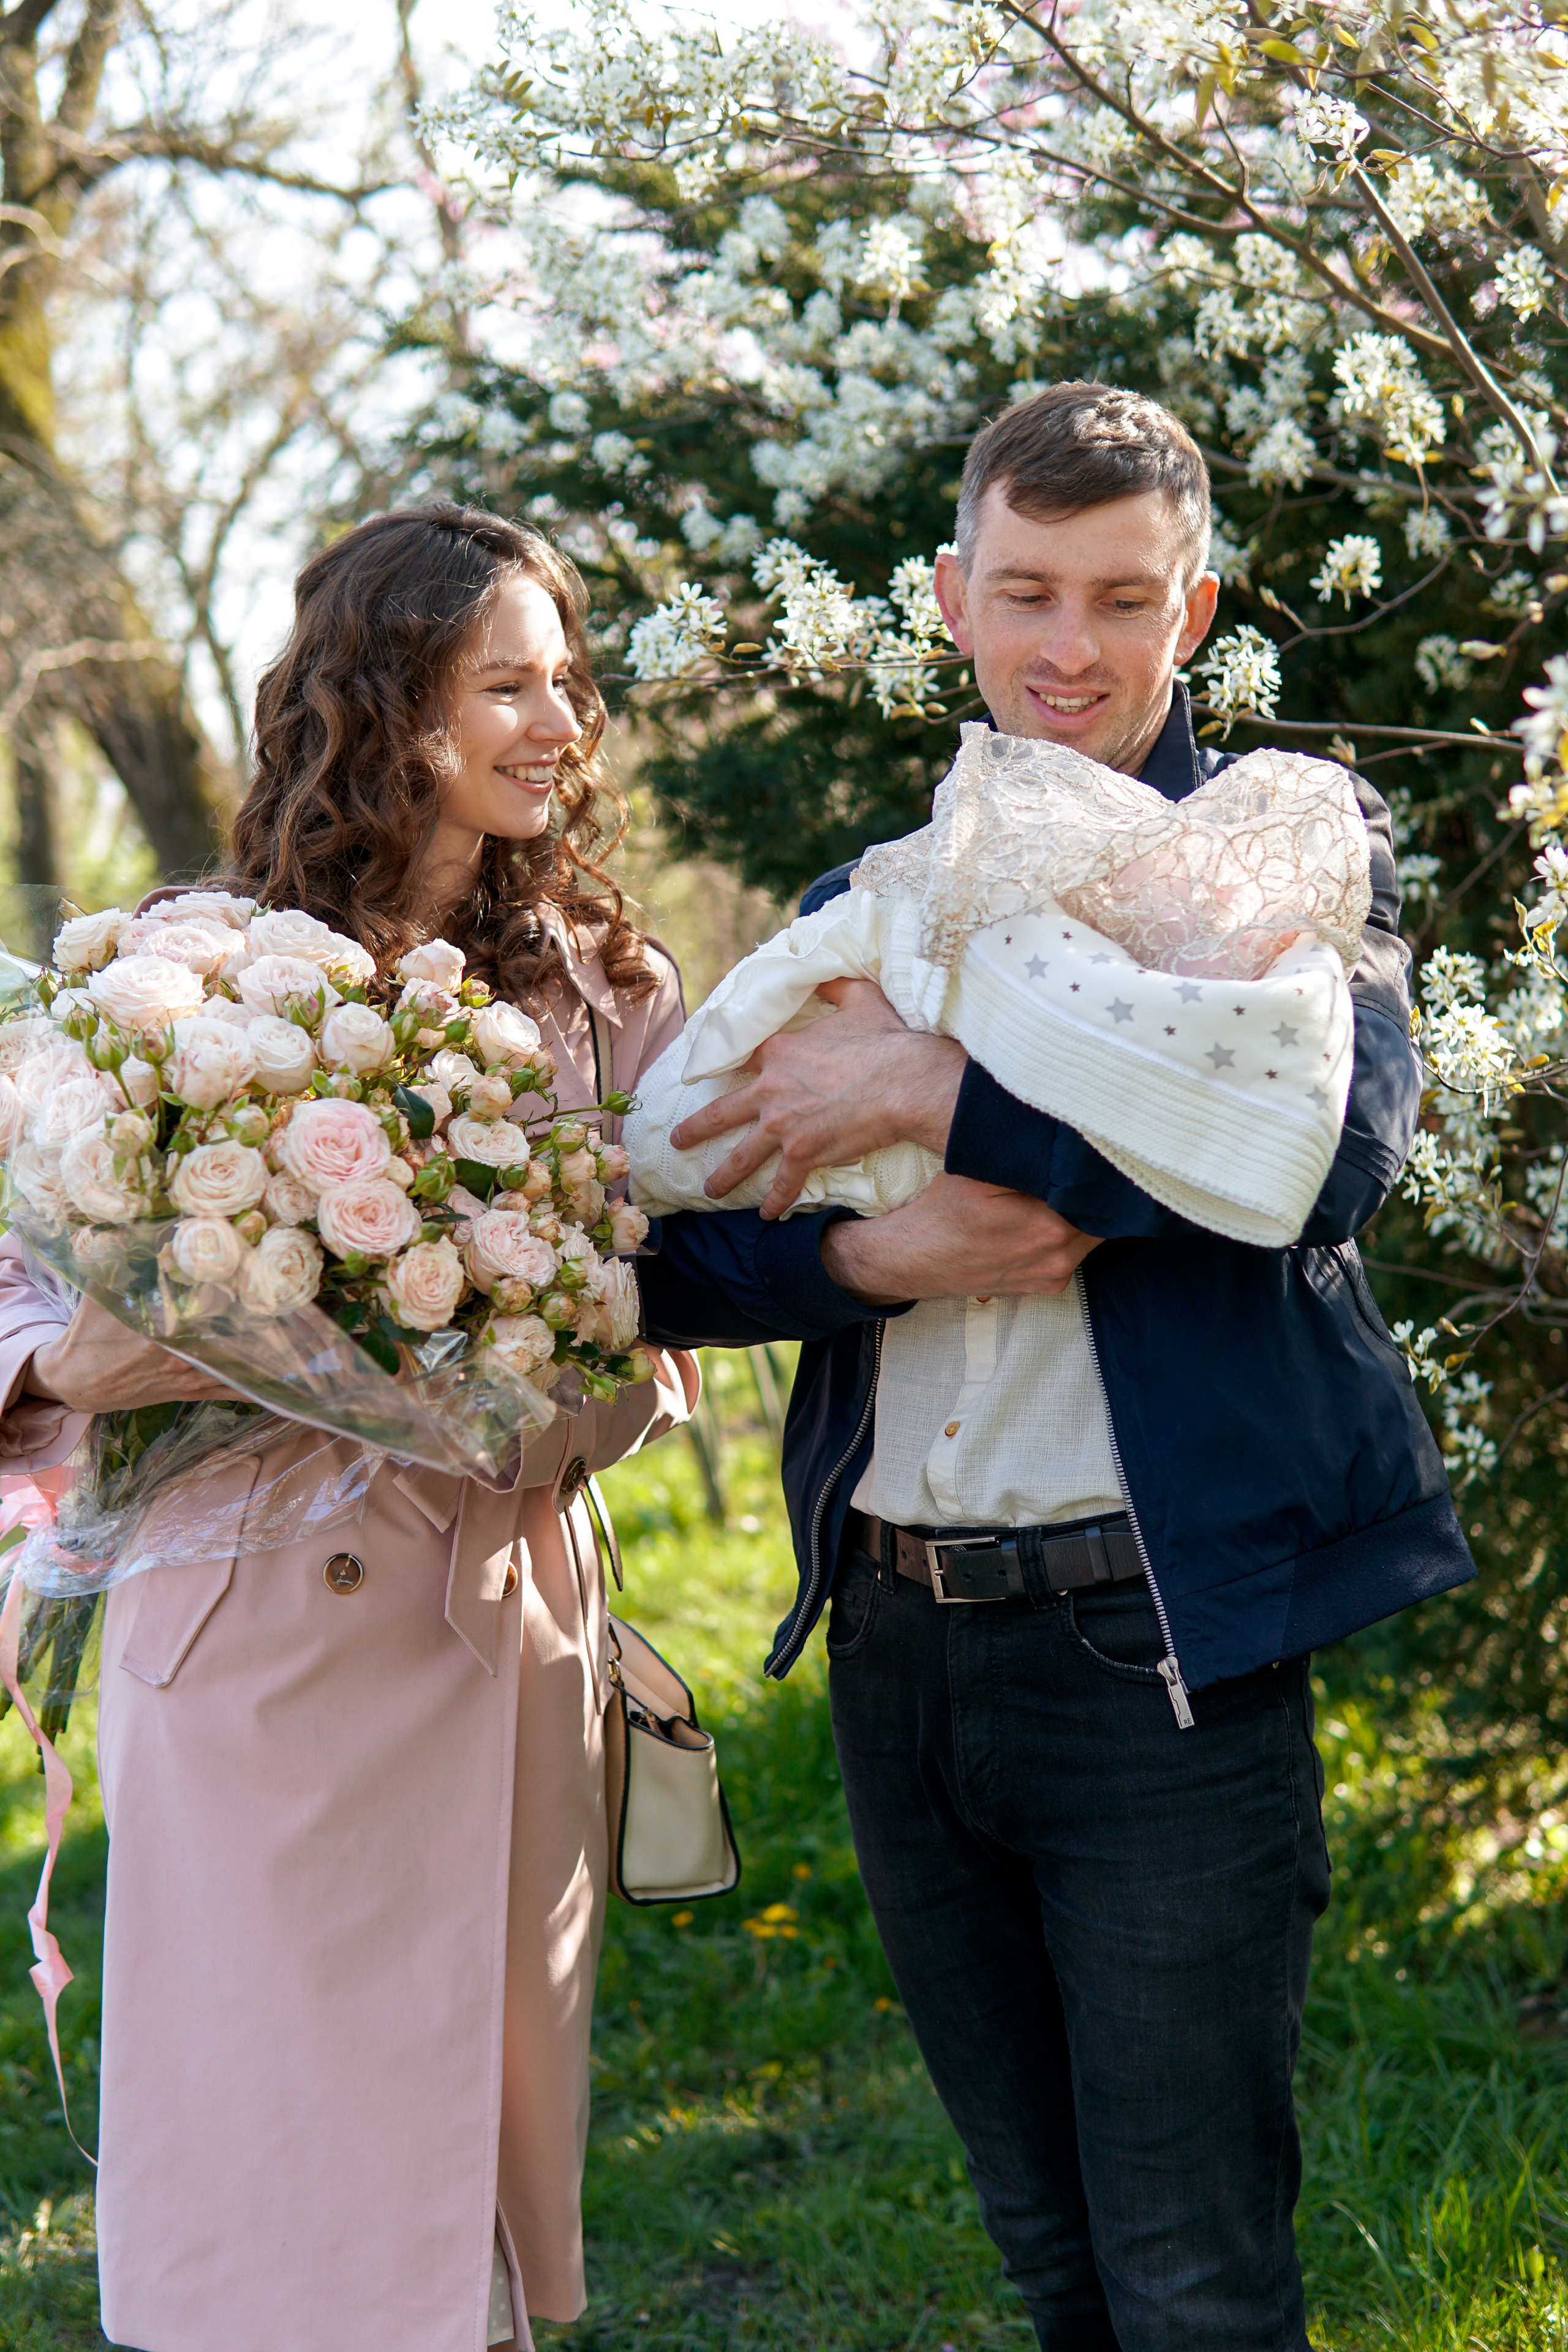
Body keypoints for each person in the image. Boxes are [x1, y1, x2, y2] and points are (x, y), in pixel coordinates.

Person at [638, 383, 1474, 2349]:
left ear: (1193, 612)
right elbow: (678, 1249)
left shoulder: (1280, 849)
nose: (1068, 648)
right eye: (1025, 592)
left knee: (1191, 2277)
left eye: (1119, 598)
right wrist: (873, 1246)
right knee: (1048, 2258)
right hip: (901, 1647)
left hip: (1148, 1652)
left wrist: (940, 1089)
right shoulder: (879, 896)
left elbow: (1328, 1167)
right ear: (951, 599)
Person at [0, 503, 697, 2352]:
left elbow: (667, 1321)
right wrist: (78, 1371)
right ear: (385, 707)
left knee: (463, 2186)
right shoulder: (182, 967)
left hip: (489, 1616)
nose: (561, 722)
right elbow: (16, 1271)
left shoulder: (610, 998)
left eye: (571, 682)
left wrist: (516, 1392)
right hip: (238, 1639)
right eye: (509, 683)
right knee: (259, 2170)